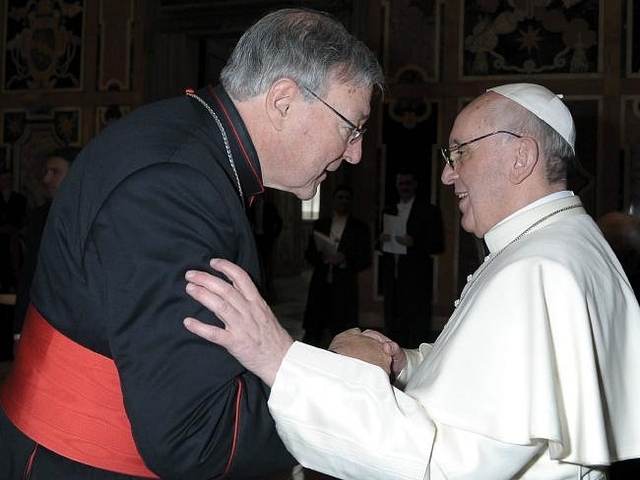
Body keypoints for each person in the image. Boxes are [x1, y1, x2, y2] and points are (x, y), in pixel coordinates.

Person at [182, 83, 640, 479]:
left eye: (461, 151)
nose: (447, 174)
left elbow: (442, 462)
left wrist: (278, 359)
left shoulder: (535, 270)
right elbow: (482, 387)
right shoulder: (568, 243)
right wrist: (404, 363)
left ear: (521, 156)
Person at [0, 8, 384, 480]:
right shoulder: (175, 187)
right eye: (353, 126)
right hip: (82, 462)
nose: (355, 152)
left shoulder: (188, 134)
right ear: (284, 100)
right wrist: (334, 382)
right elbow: (196, 438)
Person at [13, 147, 80, 340]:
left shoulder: (96, 215)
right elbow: (29, 276)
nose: (46, 179)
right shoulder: (39, 217)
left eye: (55, 172)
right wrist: (18, 333)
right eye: (46, 172)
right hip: (44, 324)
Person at [379, 167, 444, 347]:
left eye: (408, 183)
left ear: (414, 185)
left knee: (417, 325)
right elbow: (378, 245)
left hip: (417, 279)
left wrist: (413, 242)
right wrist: (381, 240)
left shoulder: (429, 211)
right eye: (401, 183)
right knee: (393, 324)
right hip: (393, 276)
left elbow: (438, 245)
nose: (404, 186)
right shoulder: (389, 210)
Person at [302, 184, 371, 347]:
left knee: (342, 331)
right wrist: (324, 257)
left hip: (345, 286)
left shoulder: (359, 228)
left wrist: (344, 259)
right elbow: (309, 254)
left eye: (347, 198)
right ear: (333, 200)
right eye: (340, 198)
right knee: (314, 329)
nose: (343, 201)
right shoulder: (321, 224)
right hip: (320, 284)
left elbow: (365, 259)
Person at [248, 194, 283, 302]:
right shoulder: (251, 206)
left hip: (267, 239)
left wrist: (274, 236)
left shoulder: (269, 206)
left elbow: (279, 221)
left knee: (267, 264)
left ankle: (269, 292)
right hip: (255, 239)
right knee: (257, 263)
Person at [0, 169, 26, 293]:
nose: (5, 182)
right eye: (2, 179)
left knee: (14, 270)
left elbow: (22, 219)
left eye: (8, 179)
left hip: (13, 240)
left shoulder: (19, 199)